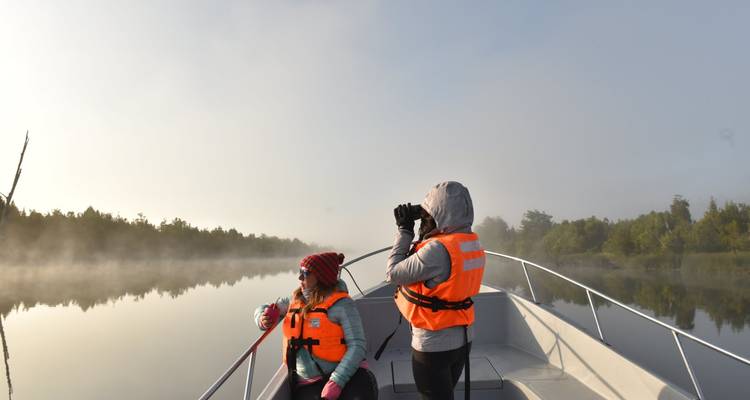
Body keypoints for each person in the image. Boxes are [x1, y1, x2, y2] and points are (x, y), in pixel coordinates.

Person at [386, 181, 485, 400]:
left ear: (440, 215)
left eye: (427, 214)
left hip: (433, 345)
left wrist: (404, 231)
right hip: (463, 339)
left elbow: (393, 273)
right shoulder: (470, 244)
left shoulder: (437, 250)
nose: (424, 219)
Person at [255, 252, 377, 400]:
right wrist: (263, 317)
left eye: (305, 273)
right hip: (308, 382)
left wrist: (336, 382)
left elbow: (357, 345)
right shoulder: (293, 300)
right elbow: (265, 307)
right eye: (299, 272)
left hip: (347, 374)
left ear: (321, 277)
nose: (299, 277)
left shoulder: (343, 305)